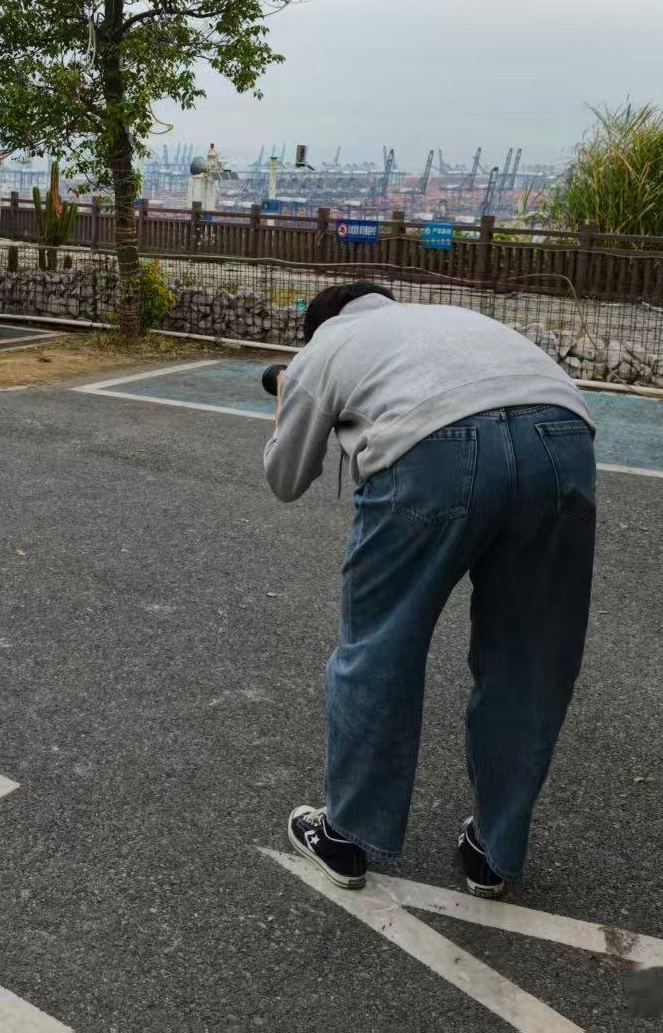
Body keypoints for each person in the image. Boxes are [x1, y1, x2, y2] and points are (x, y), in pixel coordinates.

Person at [264, 281, 596, 899]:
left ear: (317, 326)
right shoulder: (449, 318)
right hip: (564, 438)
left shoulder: (326, 346)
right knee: (531, 659)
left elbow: (284, 478)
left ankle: (345, 836)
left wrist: (289, 397)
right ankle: (493, 854)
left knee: (380, 647)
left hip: (432, 452)